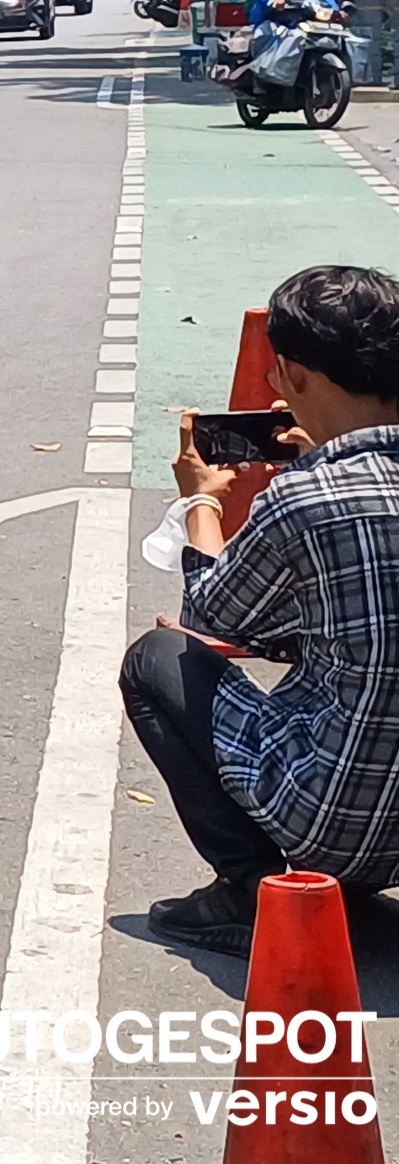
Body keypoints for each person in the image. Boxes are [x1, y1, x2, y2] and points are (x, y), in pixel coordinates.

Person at [123, 265, 399, 957]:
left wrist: (201, 500)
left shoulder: (307, 497)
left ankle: (249, 890)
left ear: (297, 375)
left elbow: (213, 618)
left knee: (157, 658)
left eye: (277, 374)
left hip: (335, 827)